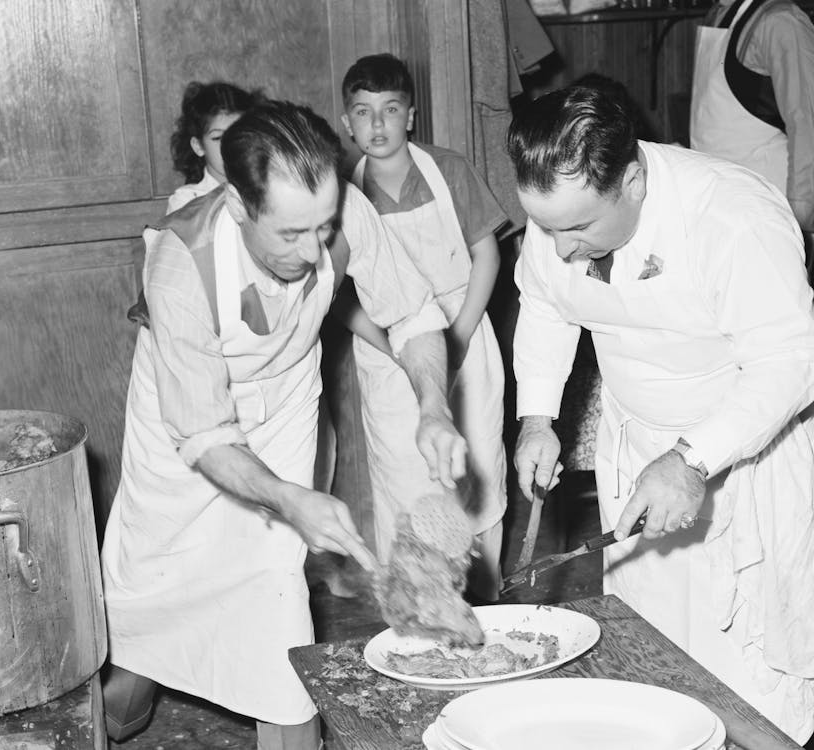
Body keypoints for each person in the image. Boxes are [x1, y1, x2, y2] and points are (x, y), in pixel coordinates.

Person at [100, 100, 468, 749]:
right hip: (186, 430)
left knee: (274, 590)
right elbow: (207, 436)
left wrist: (433, 408)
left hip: (287, 400)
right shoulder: (180, 261)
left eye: (322, 230)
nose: (314, 248)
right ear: (238, 207)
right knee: (146, 611)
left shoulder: (341, 210)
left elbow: (412, 314)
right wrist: (286, 498)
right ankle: (127, 692)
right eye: (291, 235)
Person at [508, 82, 814, 743]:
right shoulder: (561, 216)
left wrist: (693, 459)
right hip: (637, 450)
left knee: (750, 684)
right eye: (547, 227)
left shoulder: (731, 216)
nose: (559, 248)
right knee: (652, 661)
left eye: (579, 228)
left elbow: (790, 361)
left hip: (743, 453)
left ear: (635, 177)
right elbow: (543, 303)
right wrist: (538, 416)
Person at [334, 53, 509, 599]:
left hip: (465, 332)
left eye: (390, 109)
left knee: (477, 469)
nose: (377, 125)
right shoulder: (339, 194)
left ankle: (488, 596)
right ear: (347, 122)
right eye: (363, 112)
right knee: (404, 480)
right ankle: (416, 614)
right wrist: (393, 347)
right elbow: (338, 295)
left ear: (411, 115)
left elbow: (488, 257)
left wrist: (454, 337)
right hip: (385, 351)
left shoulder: (448, 169)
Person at [690, 0, 814, 241]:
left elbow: (807, 120)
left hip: (770, 211)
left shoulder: (781, 21)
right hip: (720, 207)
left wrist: (800, 213)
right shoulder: (719, 14)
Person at [166, 81, 262, 214]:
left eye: (238, 135)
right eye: (218, 138)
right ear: (198, 146)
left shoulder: (265, 192)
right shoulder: (186, 202)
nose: (230, 146)